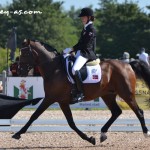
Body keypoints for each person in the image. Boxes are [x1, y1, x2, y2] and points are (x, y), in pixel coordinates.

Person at [63, 7, 97, 103]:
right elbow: (79, 43)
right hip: (81, 52)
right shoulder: (85, 28)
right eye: (81, 17)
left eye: (84, 17)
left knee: (75, 69)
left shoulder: (91, 29)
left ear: (89, 17)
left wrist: (72, 49)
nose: (82, 18)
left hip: (87, 54)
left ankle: (80, 93)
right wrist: (71, 50)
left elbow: (85, 44)